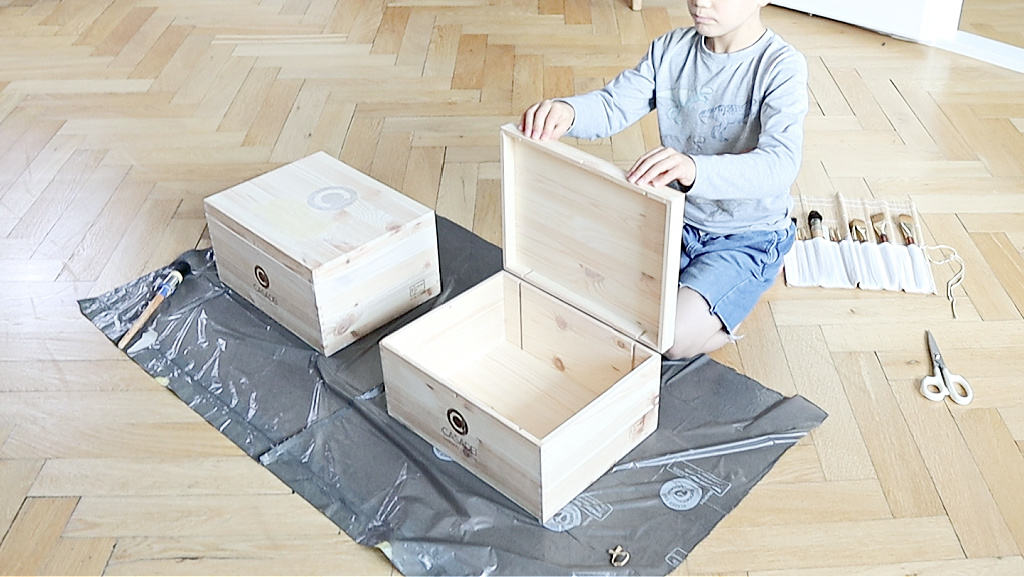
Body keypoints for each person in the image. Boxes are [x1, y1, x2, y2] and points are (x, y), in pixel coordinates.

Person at [520, 0, 807, 360]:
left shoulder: (782, 67)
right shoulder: (670, 50)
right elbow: (613, 105)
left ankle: (735, 301)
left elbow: (779, 164)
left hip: (746, 237)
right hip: (674, 218)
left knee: (668, 339)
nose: (700, 1)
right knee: (592, 285)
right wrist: (569, 111)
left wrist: (692, 168)